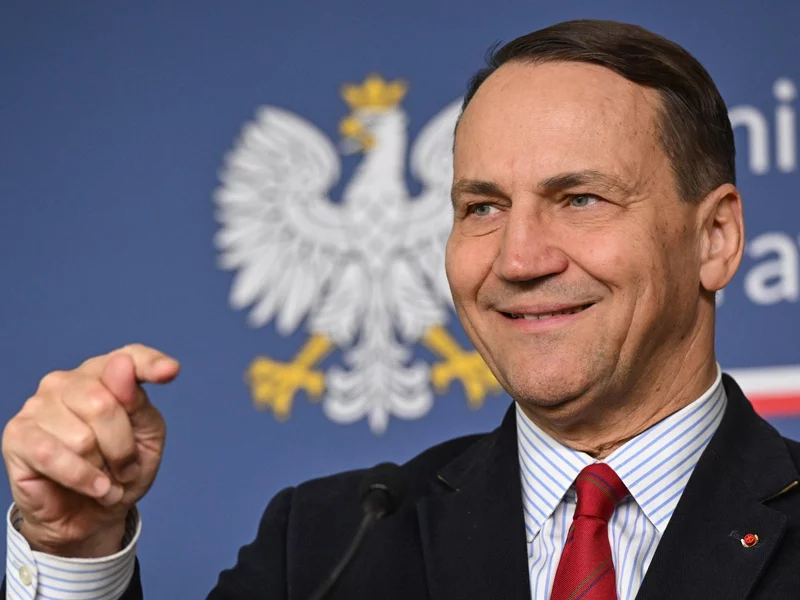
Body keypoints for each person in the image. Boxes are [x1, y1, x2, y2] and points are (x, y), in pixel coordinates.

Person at [3, 18, 800, 600]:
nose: (518, 259)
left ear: (716, 239)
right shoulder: (325, 549)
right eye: (483, 208)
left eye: (579, 199)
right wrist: (74, 551)